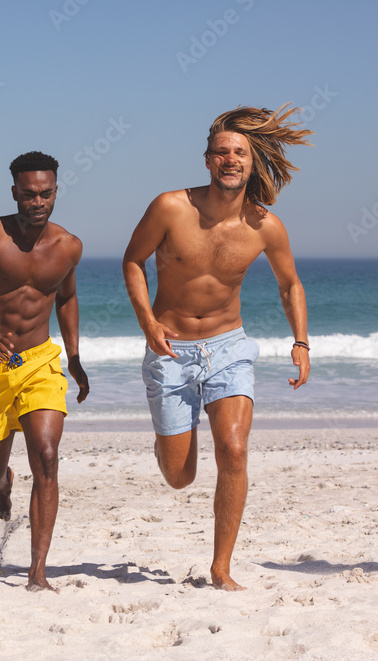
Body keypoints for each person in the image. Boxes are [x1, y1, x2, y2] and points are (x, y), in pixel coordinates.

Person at [122, 106, 312, 591]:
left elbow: (290, 285)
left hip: (229, 347)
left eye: (240, 153)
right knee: (180, 476)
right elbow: (132, 260)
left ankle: (221, 568)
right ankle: (171, 441)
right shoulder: (170, 207)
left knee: (233, 450)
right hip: (171, 349)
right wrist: (147, 321)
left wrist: (301, 342)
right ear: (208, 161)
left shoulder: (266, 226)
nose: (231, 160)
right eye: (222, 152)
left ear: (253, 162)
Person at [0, 151, 90, 592]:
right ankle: (2, 481)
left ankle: (37, 572)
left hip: (42, 361)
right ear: (14, 193)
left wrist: (75, 358)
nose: (37, 202)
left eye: (45, 193)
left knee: (46, 458)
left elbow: (66, 298)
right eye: (28, 195)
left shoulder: (68, 247)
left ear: (56, 191)